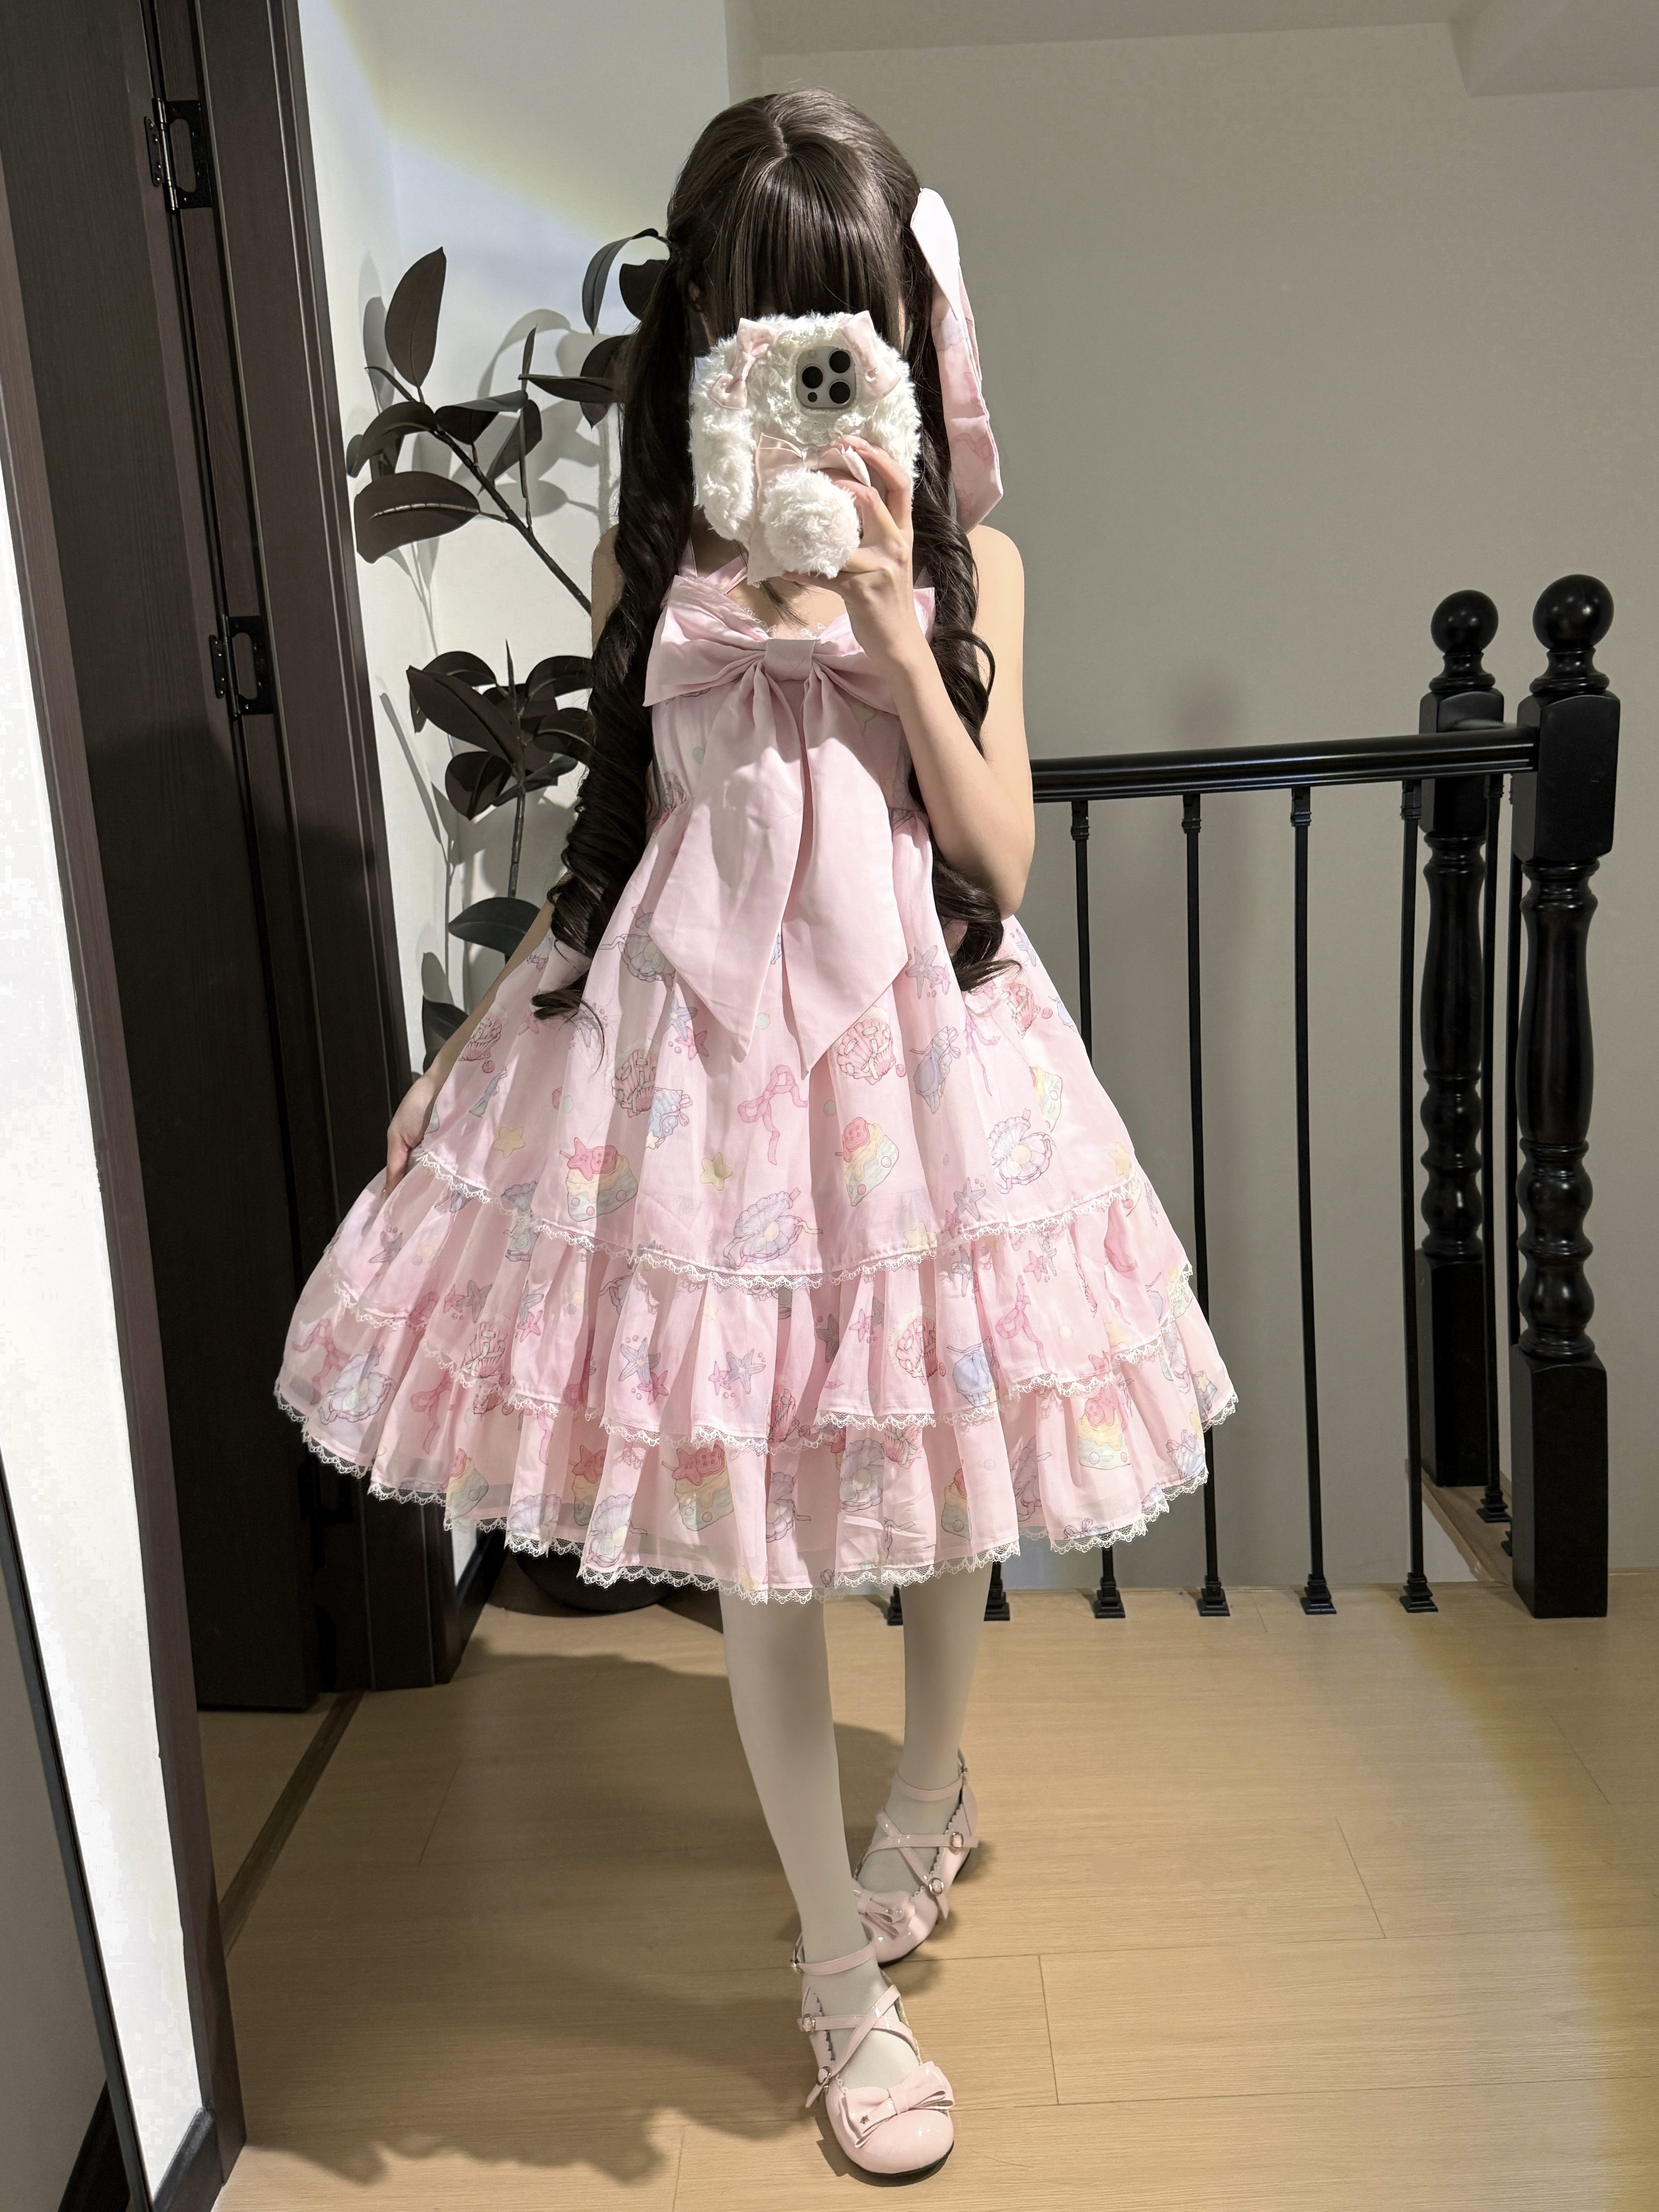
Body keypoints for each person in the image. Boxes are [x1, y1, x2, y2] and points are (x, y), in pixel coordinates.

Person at [278, 88, 1234, 2181]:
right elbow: (618, 838)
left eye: (848, 330)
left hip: (914, 1077)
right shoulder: (651, 563)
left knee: (940, 1472)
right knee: (760, 1535)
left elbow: (999, 854)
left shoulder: (971, 563)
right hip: (699, 1095)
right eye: (764, 328)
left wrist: (894, 622)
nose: (807, 374)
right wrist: (470, 1053)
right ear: (704, 330)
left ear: (902, 338)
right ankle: (833, 1977)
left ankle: (930, 1794)